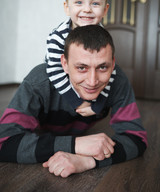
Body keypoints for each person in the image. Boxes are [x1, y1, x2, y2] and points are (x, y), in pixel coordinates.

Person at [0, 25, 147, 178]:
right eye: (82, 68)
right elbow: (3, 142)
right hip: (38, 134)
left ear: (113, 63)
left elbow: (137, 138)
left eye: (103, 67)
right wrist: (76, 144)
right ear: (64, 64)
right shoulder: (38, 82)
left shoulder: (118, 81)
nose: (92, 81)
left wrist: (88, 161)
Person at [46, 0, 115, 116]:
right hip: (61, 81)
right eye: (79, 3)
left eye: (95, 4)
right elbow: (54, 71)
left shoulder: (104, 38)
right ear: (67, 7)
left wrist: (99, 104)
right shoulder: (57, 37)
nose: (87, 9)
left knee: (115, 71)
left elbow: (111, 72)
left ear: (105, 10)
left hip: (89, 88)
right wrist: (77, 102)